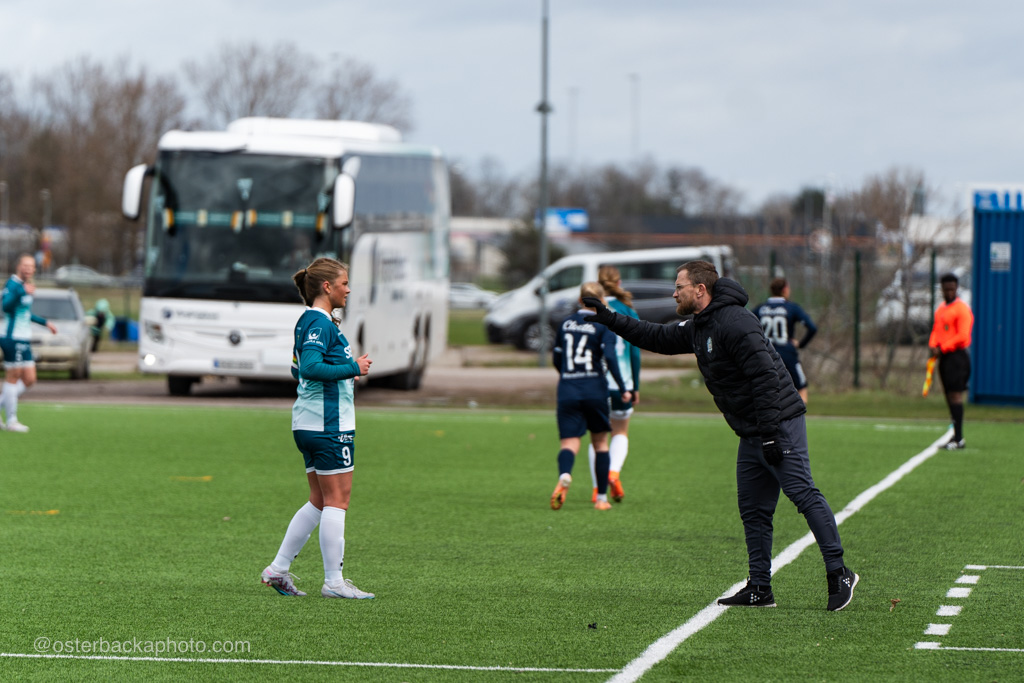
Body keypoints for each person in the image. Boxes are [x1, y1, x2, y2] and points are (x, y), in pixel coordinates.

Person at [583, 261, 858, 611]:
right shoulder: (701, 324)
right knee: (753, 510)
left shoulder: (736, 322)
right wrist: (611, 319)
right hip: (752, 430)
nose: (674, 293)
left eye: (679, 286)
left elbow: (767, 378)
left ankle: (839, 573)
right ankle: (760, 588)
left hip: (778, 423)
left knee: (803, 494)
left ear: (700, 289)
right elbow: (656, 337)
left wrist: (770, 434)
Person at [261, 257, 375, 599]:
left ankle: (278, 569)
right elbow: (309, 367)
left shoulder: (309, 321)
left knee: (320, 500)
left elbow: (297, 370)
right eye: (344, 283)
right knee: (338, 500)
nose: (348, 289)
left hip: (308, 423)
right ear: (327, 287)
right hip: (328, 425)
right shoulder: (319, 323)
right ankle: (334, 582)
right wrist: (352, 368)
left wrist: (342, 372)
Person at [550, 282, 632, 512]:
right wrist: (623, 387)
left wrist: (567, 376)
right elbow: (611, 358)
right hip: (595, 388)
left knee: (569, 443)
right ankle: (601, 499)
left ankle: (565, 474)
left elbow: (556, 357)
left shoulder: (565, 323)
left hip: (568, 388)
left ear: (580, 300)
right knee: (600, 443)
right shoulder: (603, 325)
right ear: (602, 300)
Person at [587, 265, 642, 503]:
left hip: (595, 384)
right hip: (622, 385)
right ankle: (613, 472)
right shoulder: (627, 310)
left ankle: (596, 488)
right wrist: (635, 386)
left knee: (598, 438)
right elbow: (635, 352)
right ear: (619, 283)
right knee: (620, 432)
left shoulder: (592, 310)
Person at [1, 254, 57, 433]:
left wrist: (45, 322)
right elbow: (5, 306)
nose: (28, 269)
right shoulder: (13, 285)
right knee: (14, 375)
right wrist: (21, 292)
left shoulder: (25, 286)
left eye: (31, 266)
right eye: (25, 265)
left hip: (23, 337)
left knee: (30, 379)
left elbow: (25, 313)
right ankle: (11, 421)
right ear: (18, 266)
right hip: (11, 336)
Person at [752, 277, 817, 404]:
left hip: (765, 355)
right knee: (801, 389)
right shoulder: (792, 308)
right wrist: (800, 344)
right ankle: (797, 415)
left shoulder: (760, 309)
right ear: (785, 289)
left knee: (765, 390)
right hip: (787, 353)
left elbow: (747, 326)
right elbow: (812, 328)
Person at [928, 272, 973, 450]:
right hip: (944, 358)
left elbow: (963, 336)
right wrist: (933, 345)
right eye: (946, 289)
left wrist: (943, 347)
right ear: (942, 289)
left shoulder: (961, 309)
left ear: (956, 289)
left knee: (955, 395)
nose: (949, 292)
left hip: (957, 357)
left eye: (952, 289)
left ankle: (959, 439)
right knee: (948, 395)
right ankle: (955, 435)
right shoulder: (941, 309)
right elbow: (936, 330)